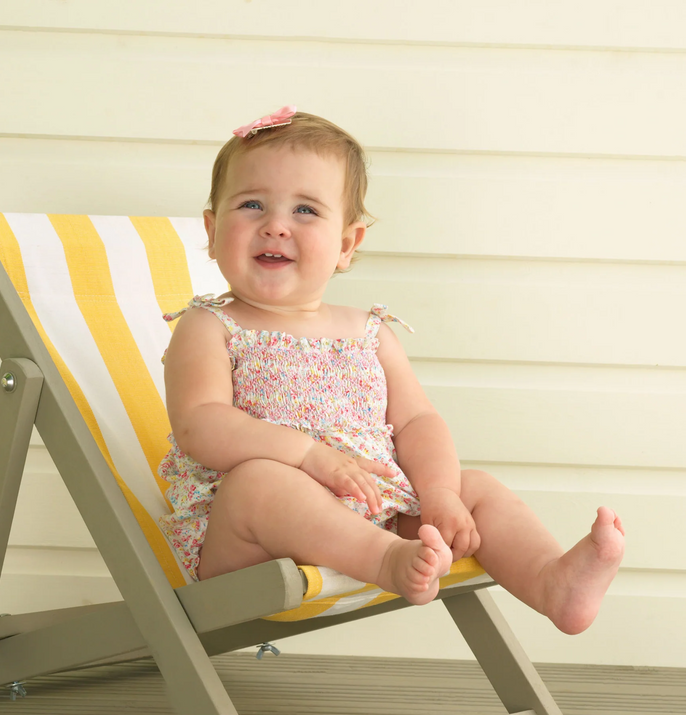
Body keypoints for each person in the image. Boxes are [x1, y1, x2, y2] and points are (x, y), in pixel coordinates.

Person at [158, 106, 625, 634]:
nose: (276, 226)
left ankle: (551, 583)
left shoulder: (369, 332)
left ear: (346, 244)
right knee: (261, 481)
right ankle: (385, 561)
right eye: (252, 204)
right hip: (248, 538)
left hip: (376, 509)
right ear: (213, 228)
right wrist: (309, 456)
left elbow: (417, 423)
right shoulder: (209, 325)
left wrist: (442, 494)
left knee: (473, 485)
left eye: (306, 211)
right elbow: (201, 425)